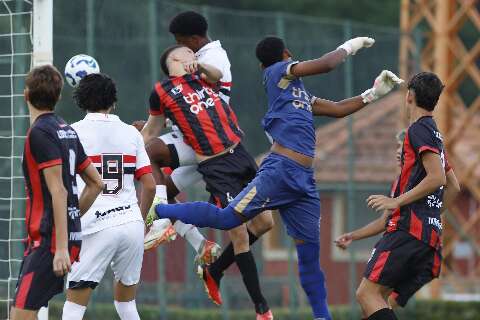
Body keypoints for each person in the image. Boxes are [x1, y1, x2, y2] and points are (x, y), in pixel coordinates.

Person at [147, 35, 404, 320]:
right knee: (229, 219)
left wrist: (373, 94)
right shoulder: (277, 73)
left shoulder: (299, 94)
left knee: (309, 257)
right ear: (287, 54)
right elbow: (327, 65)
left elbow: (339, 109)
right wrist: (349, 46)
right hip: (279, 171)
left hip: (304, 181)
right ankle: (159, 210)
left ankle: (322, 317)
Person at [142, 44, 274, 319]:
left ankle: (214, 270)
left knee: (265, 223)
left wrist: (199, 66)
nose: (196, 55)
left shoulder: (203, 76)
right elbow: (151, 130)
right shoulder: (162, 91)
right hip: (215, 165)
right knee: (237, 231)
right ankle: (262, 309)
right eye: (190, 54)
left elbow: (215, 73)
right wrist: (129, 146)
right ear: (175, 59)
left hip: (241, 153)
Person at [10, 65, 103, 320]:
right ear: (58, 95)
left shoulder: (40, 132)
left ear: (25, 94)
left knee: (19, 316)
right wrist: (73, 220)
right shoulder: (66, 129)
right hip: (57, 239)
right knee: (17, 313)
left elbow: (58, 191)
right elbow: (97, 183)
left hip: (49, 244)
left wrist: (60, 247)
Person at [60, 74, 156, 320]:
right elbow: (150, 185)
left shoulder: (72, 133)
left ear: (80, 101)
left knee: (73, 307)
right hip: (130, 224)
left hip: (94, 224)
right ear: (113, 101)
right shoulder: (132, 133)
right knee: (126, 305)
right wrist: (140, 220)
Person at [359, 72, 451, 320]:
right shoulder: (435, 136)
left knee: (367, 295)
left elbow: (438, 178)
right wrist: (432, 212)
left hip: (408, 229)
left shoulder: (417, 131)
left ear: (409, 96)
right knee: (378, 303)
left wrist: (396, 200)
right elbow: (453, 186)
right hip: (426, 233)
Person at [335, 128, 460, 312]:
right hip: (422, 246)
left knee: (370, 296)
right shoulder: (402, 182)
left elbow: (453, 186)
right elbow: (383, 222)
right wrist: (353, 236)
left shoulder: (420, 178)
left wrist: (430, 214)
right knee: (376, 303)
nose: (397, 151)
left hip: (415, 244)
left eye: (401, 146)